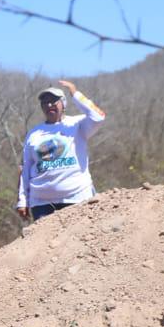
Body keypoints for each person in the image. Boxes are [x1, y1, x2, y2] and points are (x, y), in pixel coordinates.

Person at [16, 80, 106, 221]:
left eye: (53, 101)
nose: (49, 105)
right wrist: (22, 200)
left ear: (63, 103)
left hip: (77, 197)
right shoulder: (34, 134)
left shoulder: (77, 124)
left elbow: (99, 116)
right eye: (45, 102)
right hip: (41, 202)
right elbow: (25, 168)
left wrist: (75, 94)